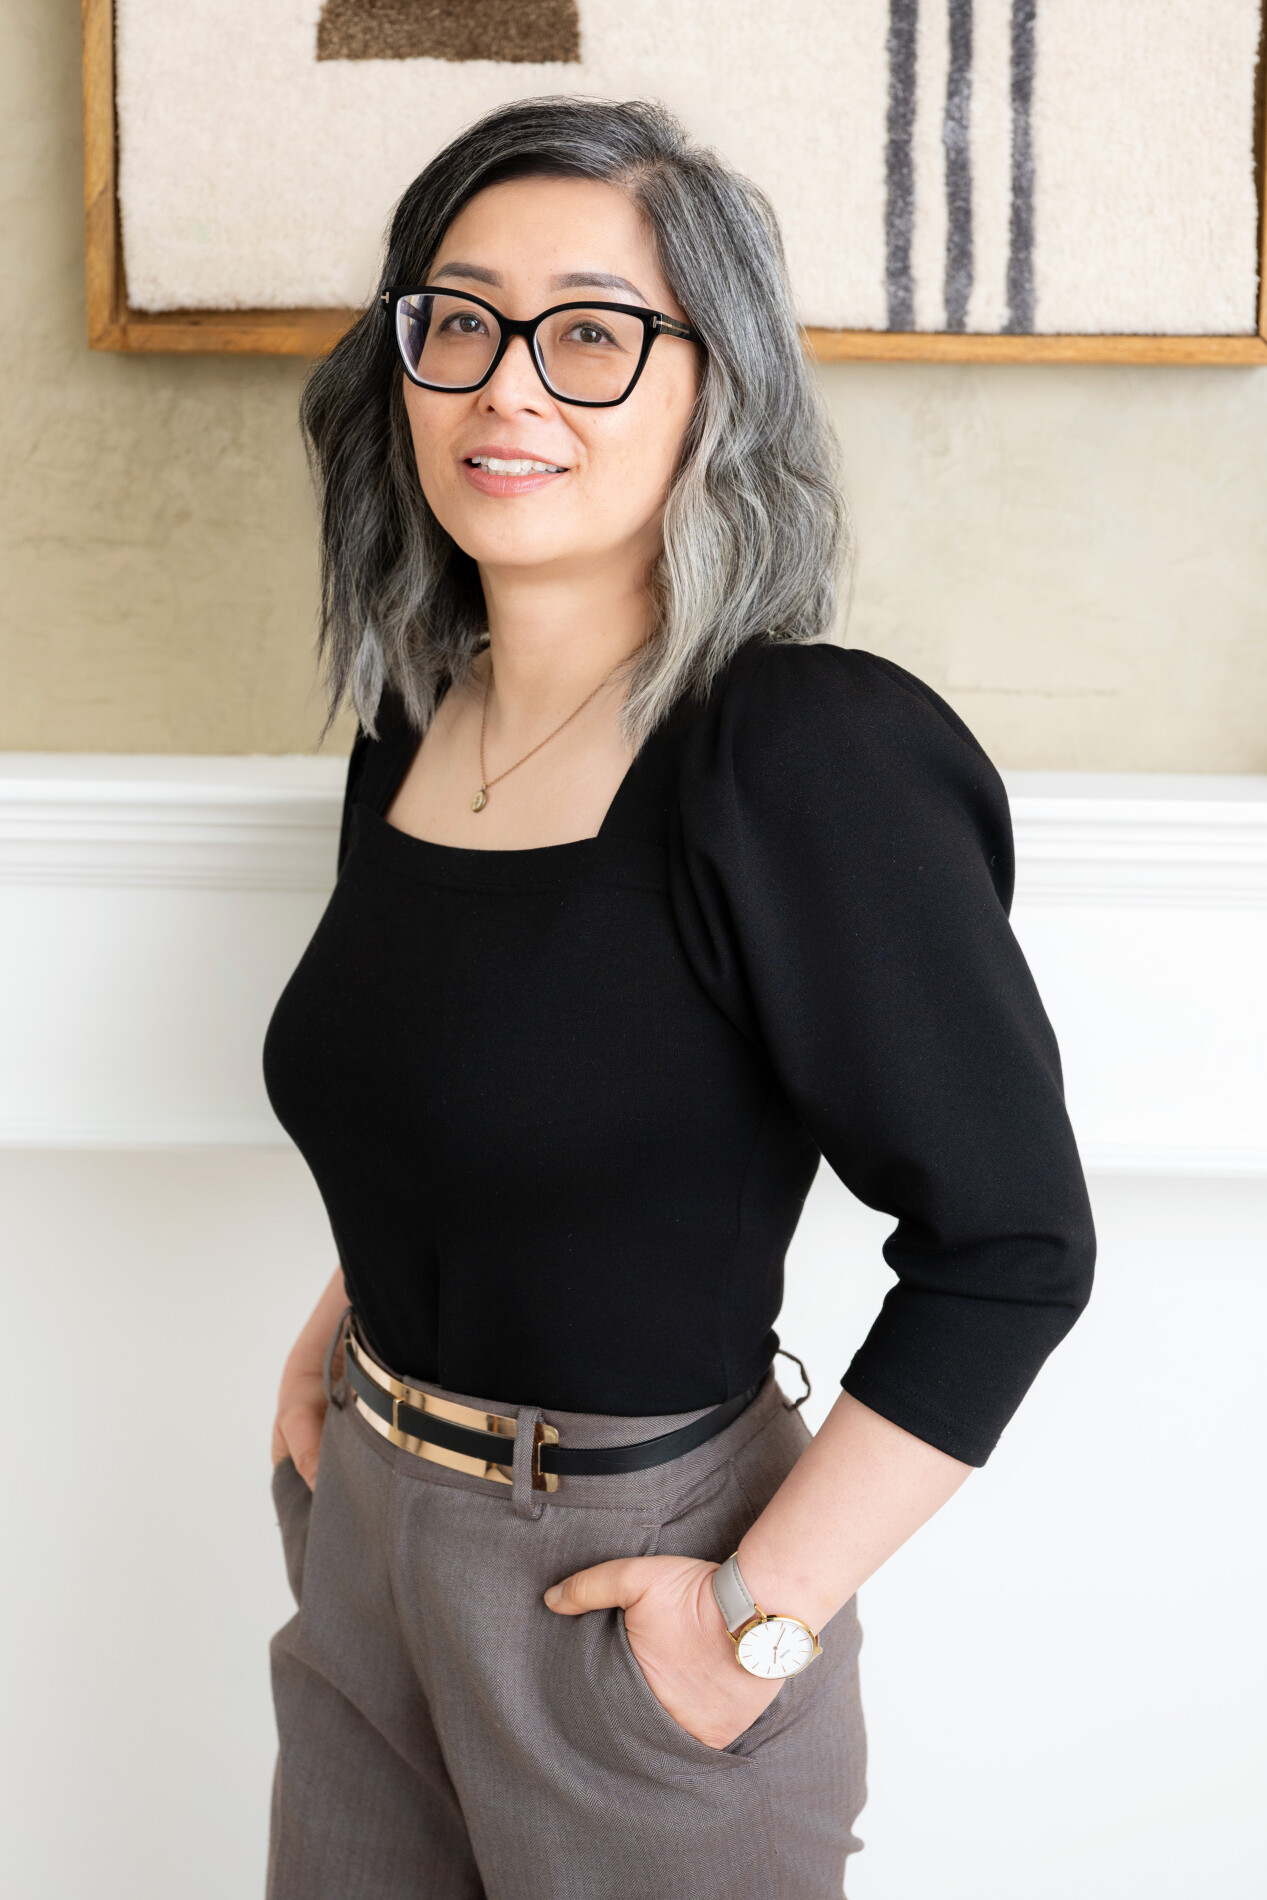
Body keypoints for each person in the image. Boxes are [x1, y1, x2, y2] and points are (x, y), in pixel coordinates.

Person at [261, 96, 1095, 1900]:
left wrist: (751, 1625)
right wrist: (348, 1339)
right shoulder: (413, 723)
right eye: (459, 320)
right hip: (364, 1546)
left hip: (628, 1594)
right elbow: (452, 1084)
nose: (507, 388)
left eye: (591, 332)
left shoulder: (804, 753)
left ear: (718, 388)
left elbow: (1013, 1243)